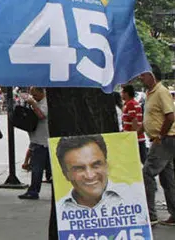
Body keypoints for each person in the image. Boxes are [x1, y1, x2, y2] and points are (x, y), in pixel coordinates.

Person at [55, 135, 148, 229]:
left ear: (106, 166)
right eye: (79, 168)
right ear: (65, 174)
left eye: (96, 165)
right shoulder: (59, 210)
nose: (90, 176)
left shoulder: (136, 196)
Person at [140, 68, 175, 226]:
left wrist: (160, 136)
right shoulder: (150, 93)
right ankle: (174, 214)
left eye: (143, 75)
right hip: (163, 139)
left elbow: (170, 116)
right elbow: (151, 118)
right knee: (167, 179)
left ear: (152, 75)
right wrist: (134, 133)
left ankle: (151, 214)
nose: (141, 78)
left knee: (147, 173)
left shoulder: (161, 91)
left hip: (164, 139)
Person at [19, 87, 51, 200]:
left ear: (42, 92)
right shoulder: (39, 102)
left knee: (37, 168)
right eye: (33, 95)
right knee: (40, 167)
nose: (34, 98)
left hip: (42, 141)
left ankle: (33, 191)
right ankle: (33, 190)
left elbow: (42, 115)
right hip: (37, 140)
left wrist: (33, 104)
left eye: (36, 95)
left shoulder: (45, 103)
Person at [121, 84, 146, 164]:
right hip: (139, 137)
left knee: (133, 162)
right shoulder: (135, 103)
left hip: (135, 139)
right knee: (142, 160)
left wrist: (132, 136)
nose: (121, 94)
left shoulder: (130, 104)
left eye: (122, 92)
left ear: (126, 93)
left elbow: (134, 120)